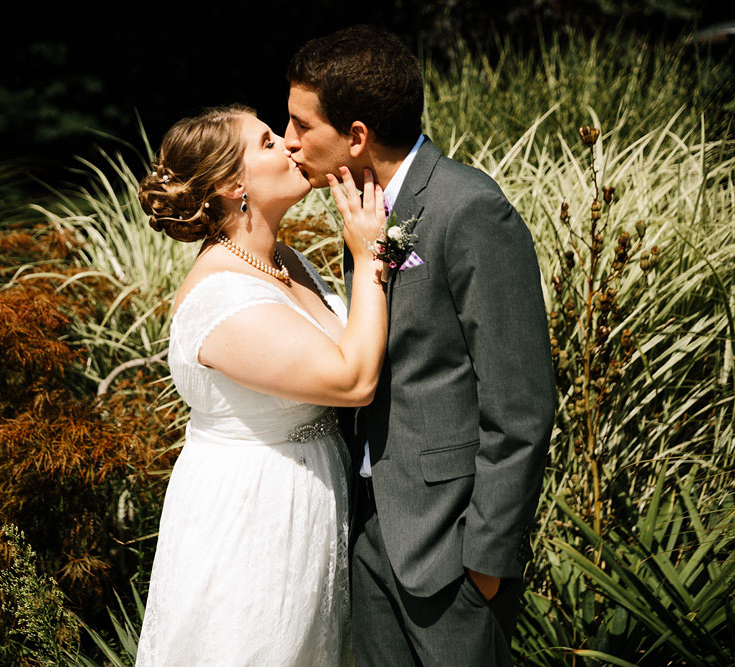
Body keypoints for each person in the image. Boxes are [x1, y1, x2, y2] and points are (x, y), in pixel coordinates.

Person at [284, 25, 557, 666]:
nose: (289, 140)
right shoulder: (365, 209)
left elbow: (521, 402)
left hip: (449, 545)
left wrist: (487, 559)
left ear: (355, 136)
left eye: (301, 124)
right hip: (370, 531)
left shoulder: (469, 210)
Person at [133, 104, 388, 666]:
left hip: (313, 504)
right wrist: (370, 255)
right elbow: (353, 378)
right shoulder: (224, 298)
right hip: (253, 520)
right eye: (271, 142)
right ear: (231, 184)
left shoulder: (288, 262)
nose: (293, 146)